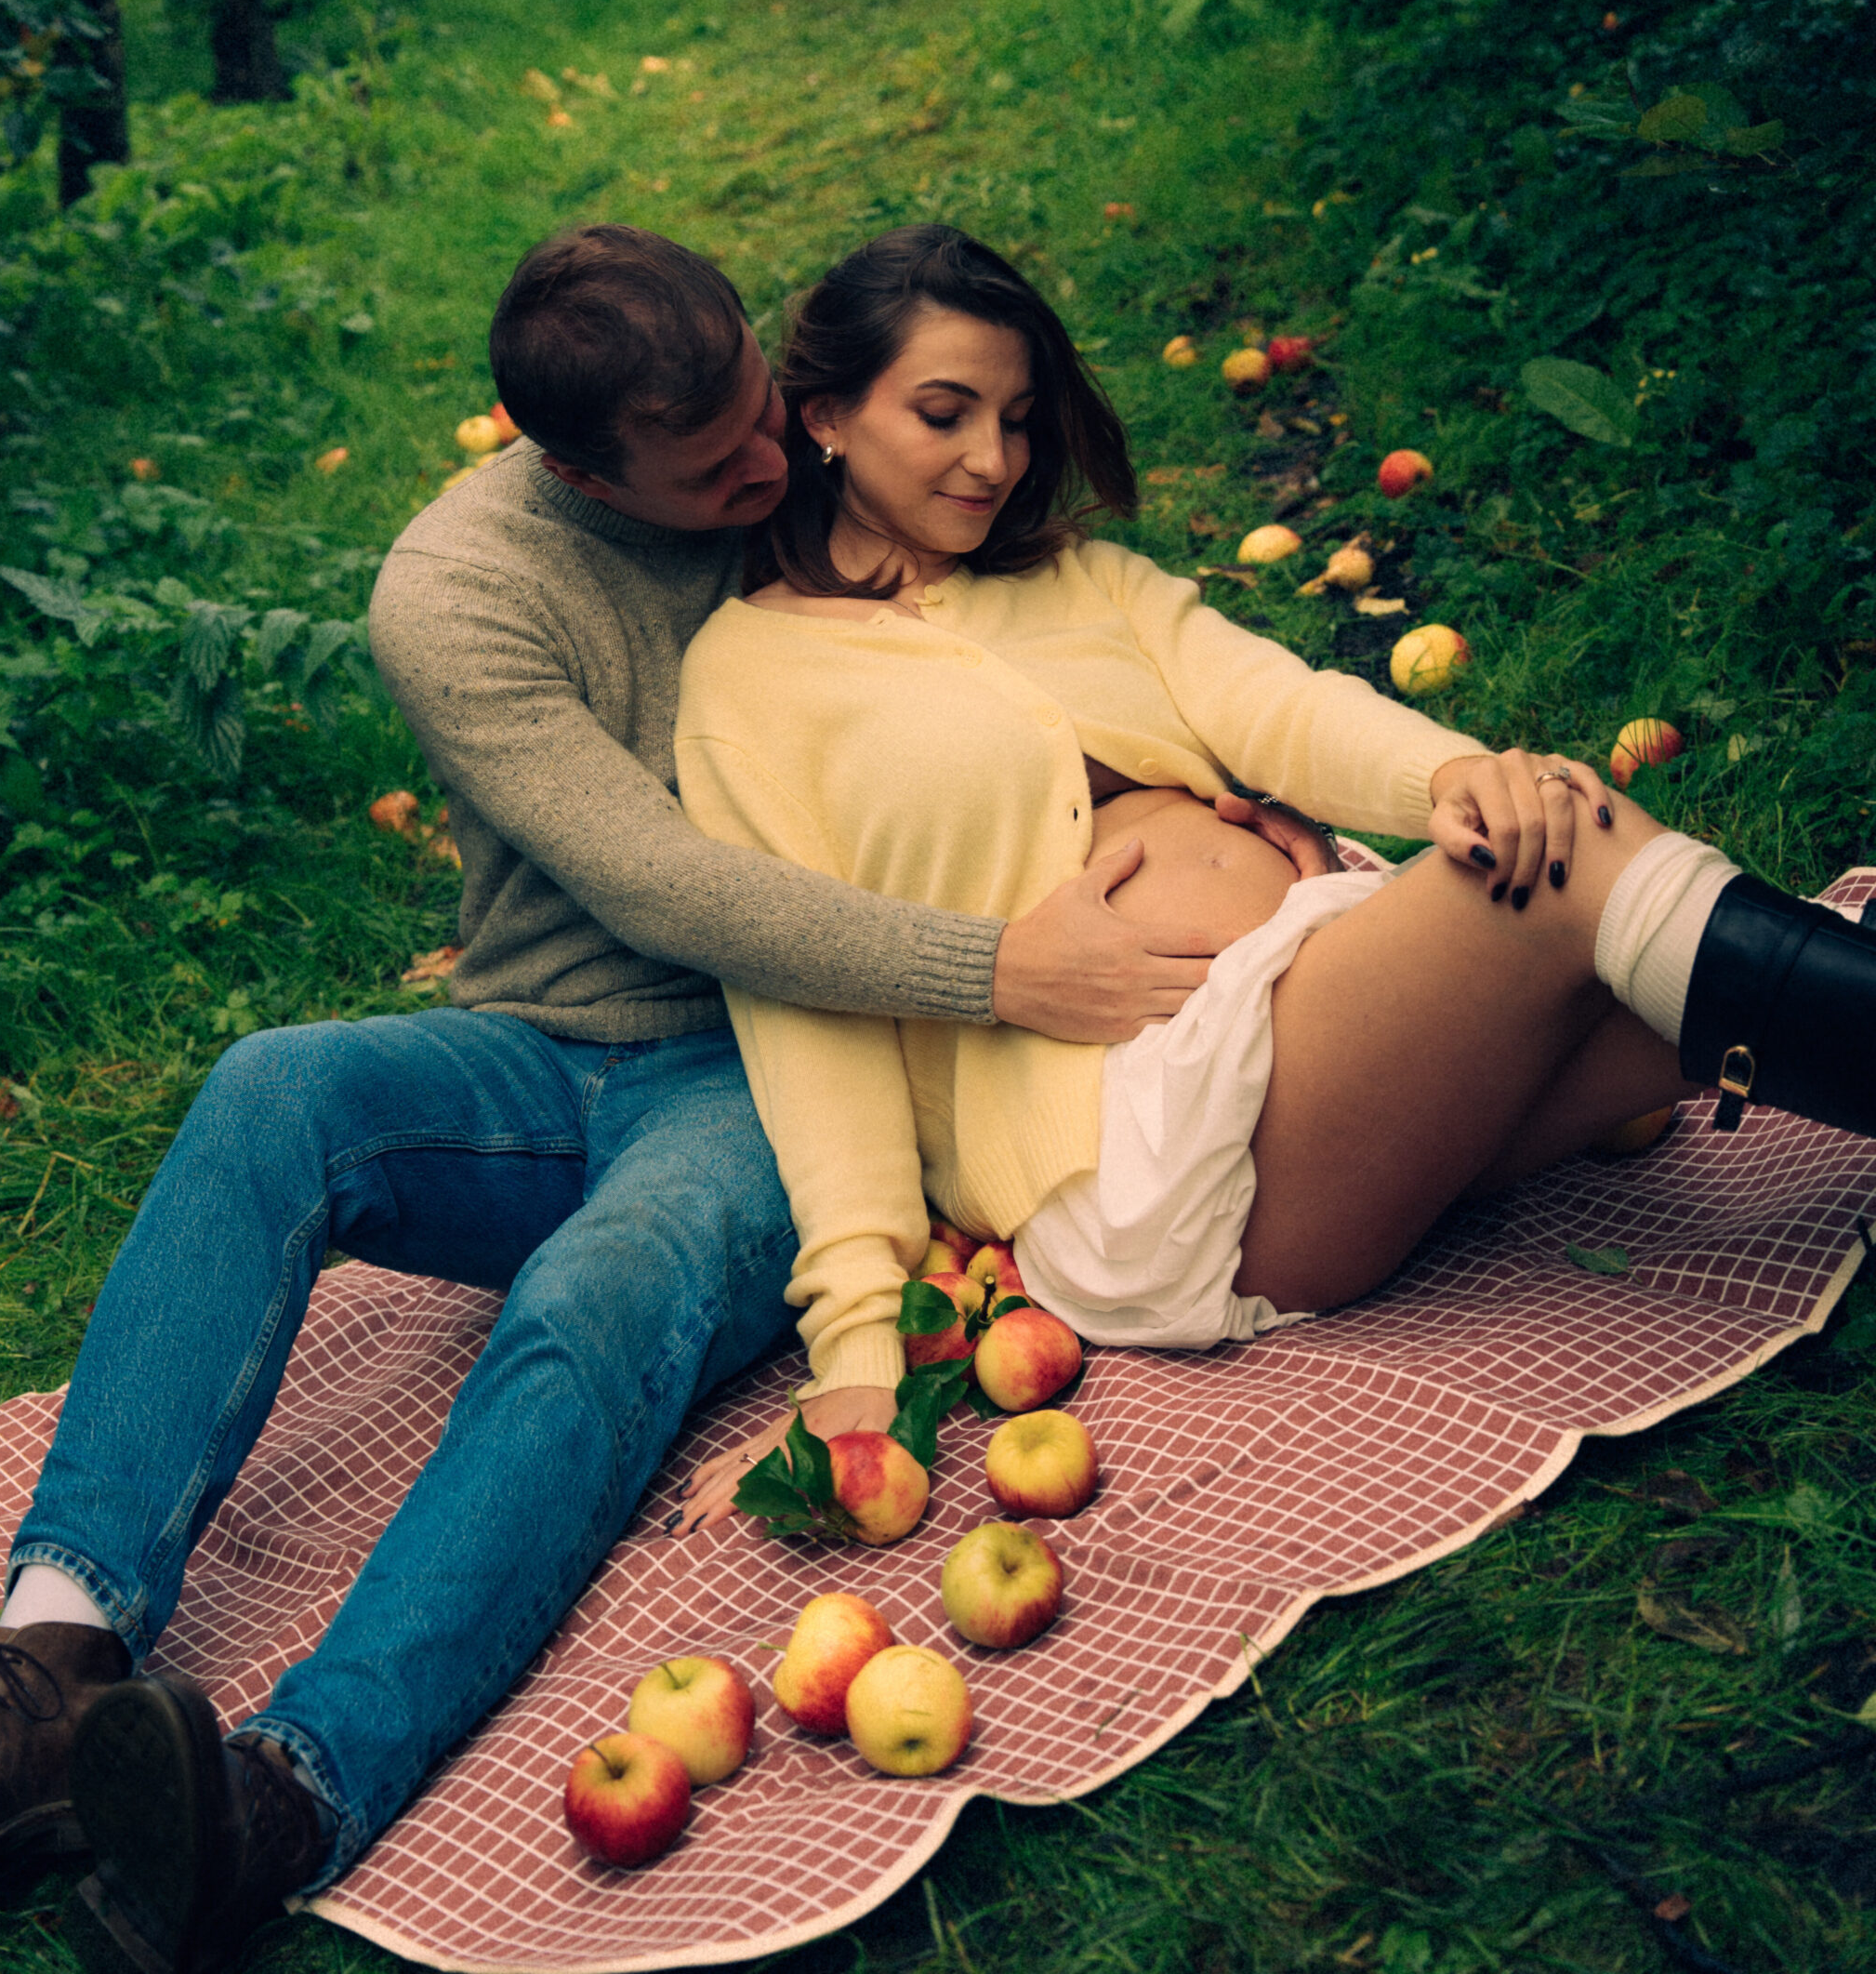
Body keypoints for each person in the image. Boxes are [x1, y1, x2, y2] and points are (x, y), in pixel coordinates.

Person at [0, 227, 1269, 1974]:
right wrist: (992, 966)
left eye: (765, 406)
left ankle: (285, 1794)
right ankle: (48, 1670)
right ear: (573, 467)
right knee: (271, 1088)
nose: (771, 460)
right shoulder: (459, 594)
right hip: (549, 1040)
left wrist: (1218, 804)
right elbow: (661, 886)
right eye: (716, 454)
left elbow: (1046, 630)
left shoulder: (816, 463)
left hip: (774, 1062)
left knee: (603, 1291)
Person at [669, 224, 1876, 1529]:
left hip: (1311, 1003)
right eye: (944, 413)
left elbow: (1274, 704)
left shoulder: (1080, 579)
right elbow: (807, 1012)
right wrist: (853, 1346)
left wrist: (1452, 778)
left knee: (1658, 974)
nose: (993, 460)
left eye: (1019, 420)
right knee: (1568, 868)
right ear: (828, 415)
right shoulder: (748, 685)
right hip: (1153, 1143)